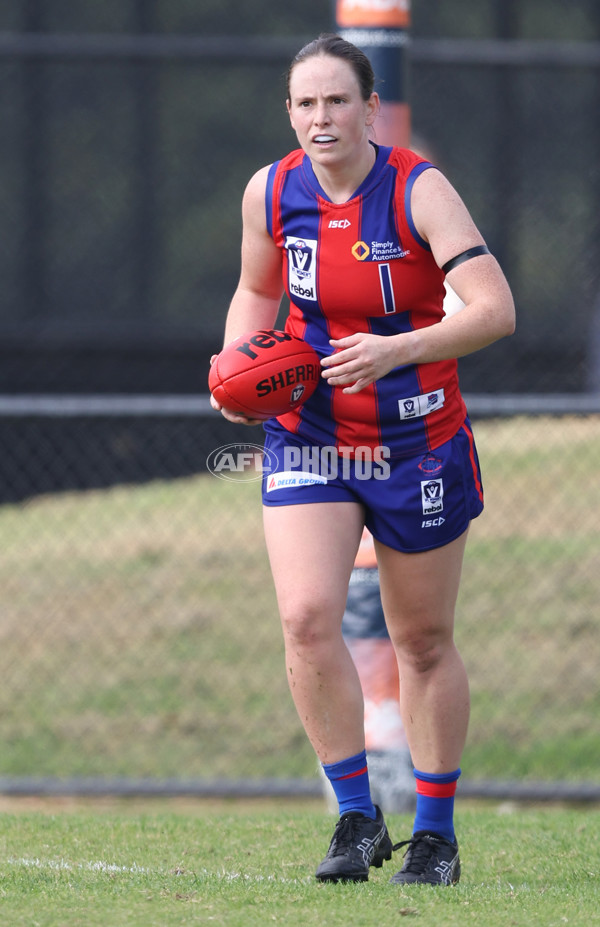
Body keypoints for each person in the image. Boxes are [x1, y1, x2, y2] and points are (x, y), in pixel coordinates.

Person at [210, 33, 515, 885]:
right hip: (308, 433)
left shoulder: (419, 188)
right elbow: (256, 291)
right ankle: (354, 819)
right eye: (305, 103)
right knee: (307, 617)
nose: (320, 118)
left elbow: (495, 310)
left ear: (370, 107)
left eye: (337, 100)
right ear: (289, 113)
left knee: (421, 641)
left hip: (416, 441)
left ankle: (437, 835)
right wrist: (235, 369)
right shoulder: (270, 191)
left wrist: (396, 351)